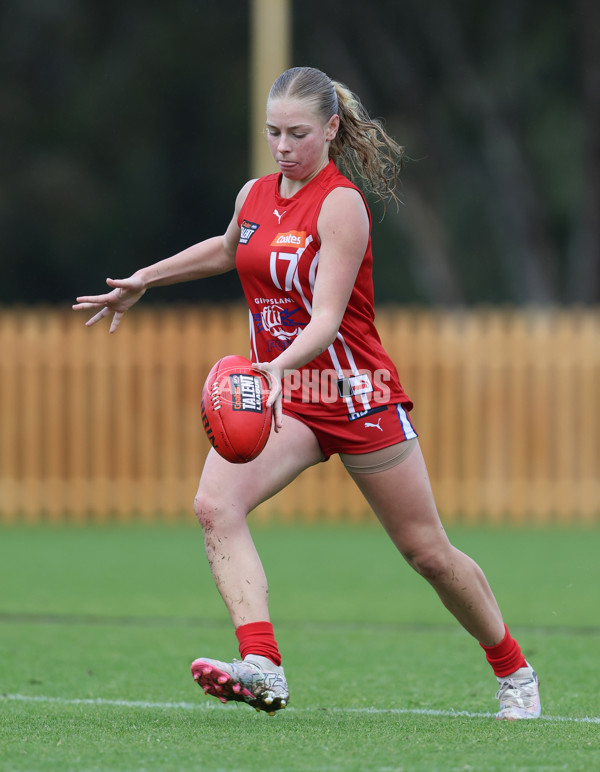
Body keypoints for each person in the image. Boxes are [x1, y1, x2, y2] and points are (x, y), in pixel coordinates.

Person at [73, 66, 541, 720]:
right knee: (214, 505)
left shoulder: (340, 204)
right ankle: (262, 665)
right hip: (287, 397)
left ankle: (514, 671)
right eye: (273, 132)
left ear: (329, 128)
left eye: (297, 132)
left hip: (353, 392)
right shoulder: (255, 195)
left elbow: (326, 318)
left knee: (426, 552)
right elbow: (228, 248)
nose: (283, 145)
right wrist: (145, 279)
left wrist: (273, 369)